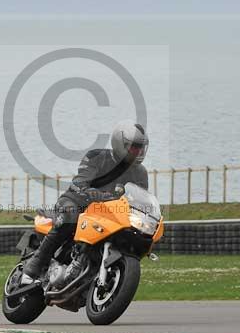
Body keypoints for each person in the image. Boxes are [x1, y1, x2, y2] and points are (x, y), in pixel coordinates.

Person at [20, 120, 149, 283]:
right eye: (134, 147)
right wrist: (91, 191)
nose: (138, 151)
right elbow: (80, 181)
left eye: (141, 148)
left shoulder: (140, 173)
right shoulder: (97, 157)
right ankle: (32, 270)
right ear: (120, 143)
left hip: (108, 213)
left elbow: (140, 199)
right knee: (69, 218)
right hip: (77, 202)